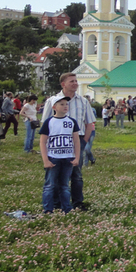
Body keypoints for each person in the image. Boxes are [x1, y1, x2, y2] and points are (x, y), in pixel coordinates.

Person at [41, 73, 96, 211]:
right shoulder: (52, 101)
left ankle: (77, 202)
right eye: (72, 81)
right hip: (57, 143)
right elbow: (45, 124)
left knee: (76, 174)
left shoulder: (83, 101)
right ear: (63, 84)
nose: (75, 83)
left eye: (76, 81)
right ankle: (56, 203)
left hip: (78, 141)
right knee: (55, 174)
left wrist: (83, 141)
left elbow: (89, 123)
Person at [39, 96, 80, 213]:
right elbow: (43, 141)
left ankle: (66, 208)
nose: (65, 106)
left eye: (66, 104)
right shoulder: (49, 122)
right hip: (53, 158)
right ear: (54, 107)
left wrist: (77, 157)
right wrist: (45, 160)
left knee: (65, 186)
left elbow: (76, 141)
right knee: (50, 185)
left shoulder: (72, 122)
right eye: (61, 104)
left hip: (68, 158)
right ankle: (47, 209)